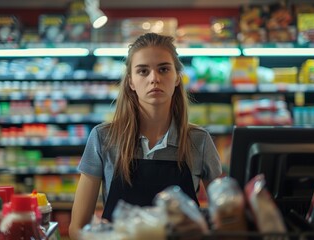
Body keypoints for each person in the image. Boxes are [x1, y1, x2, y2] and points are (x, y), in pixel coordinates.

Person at [69, 32, 222, 239]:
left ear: (177, 77)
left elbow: (226, 219)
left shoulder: (199, 140)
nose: (154, 78)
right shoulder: (103, 138)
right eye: (143, 71)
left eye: (164, 69)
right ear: (131, 81)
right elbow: (77, 228)